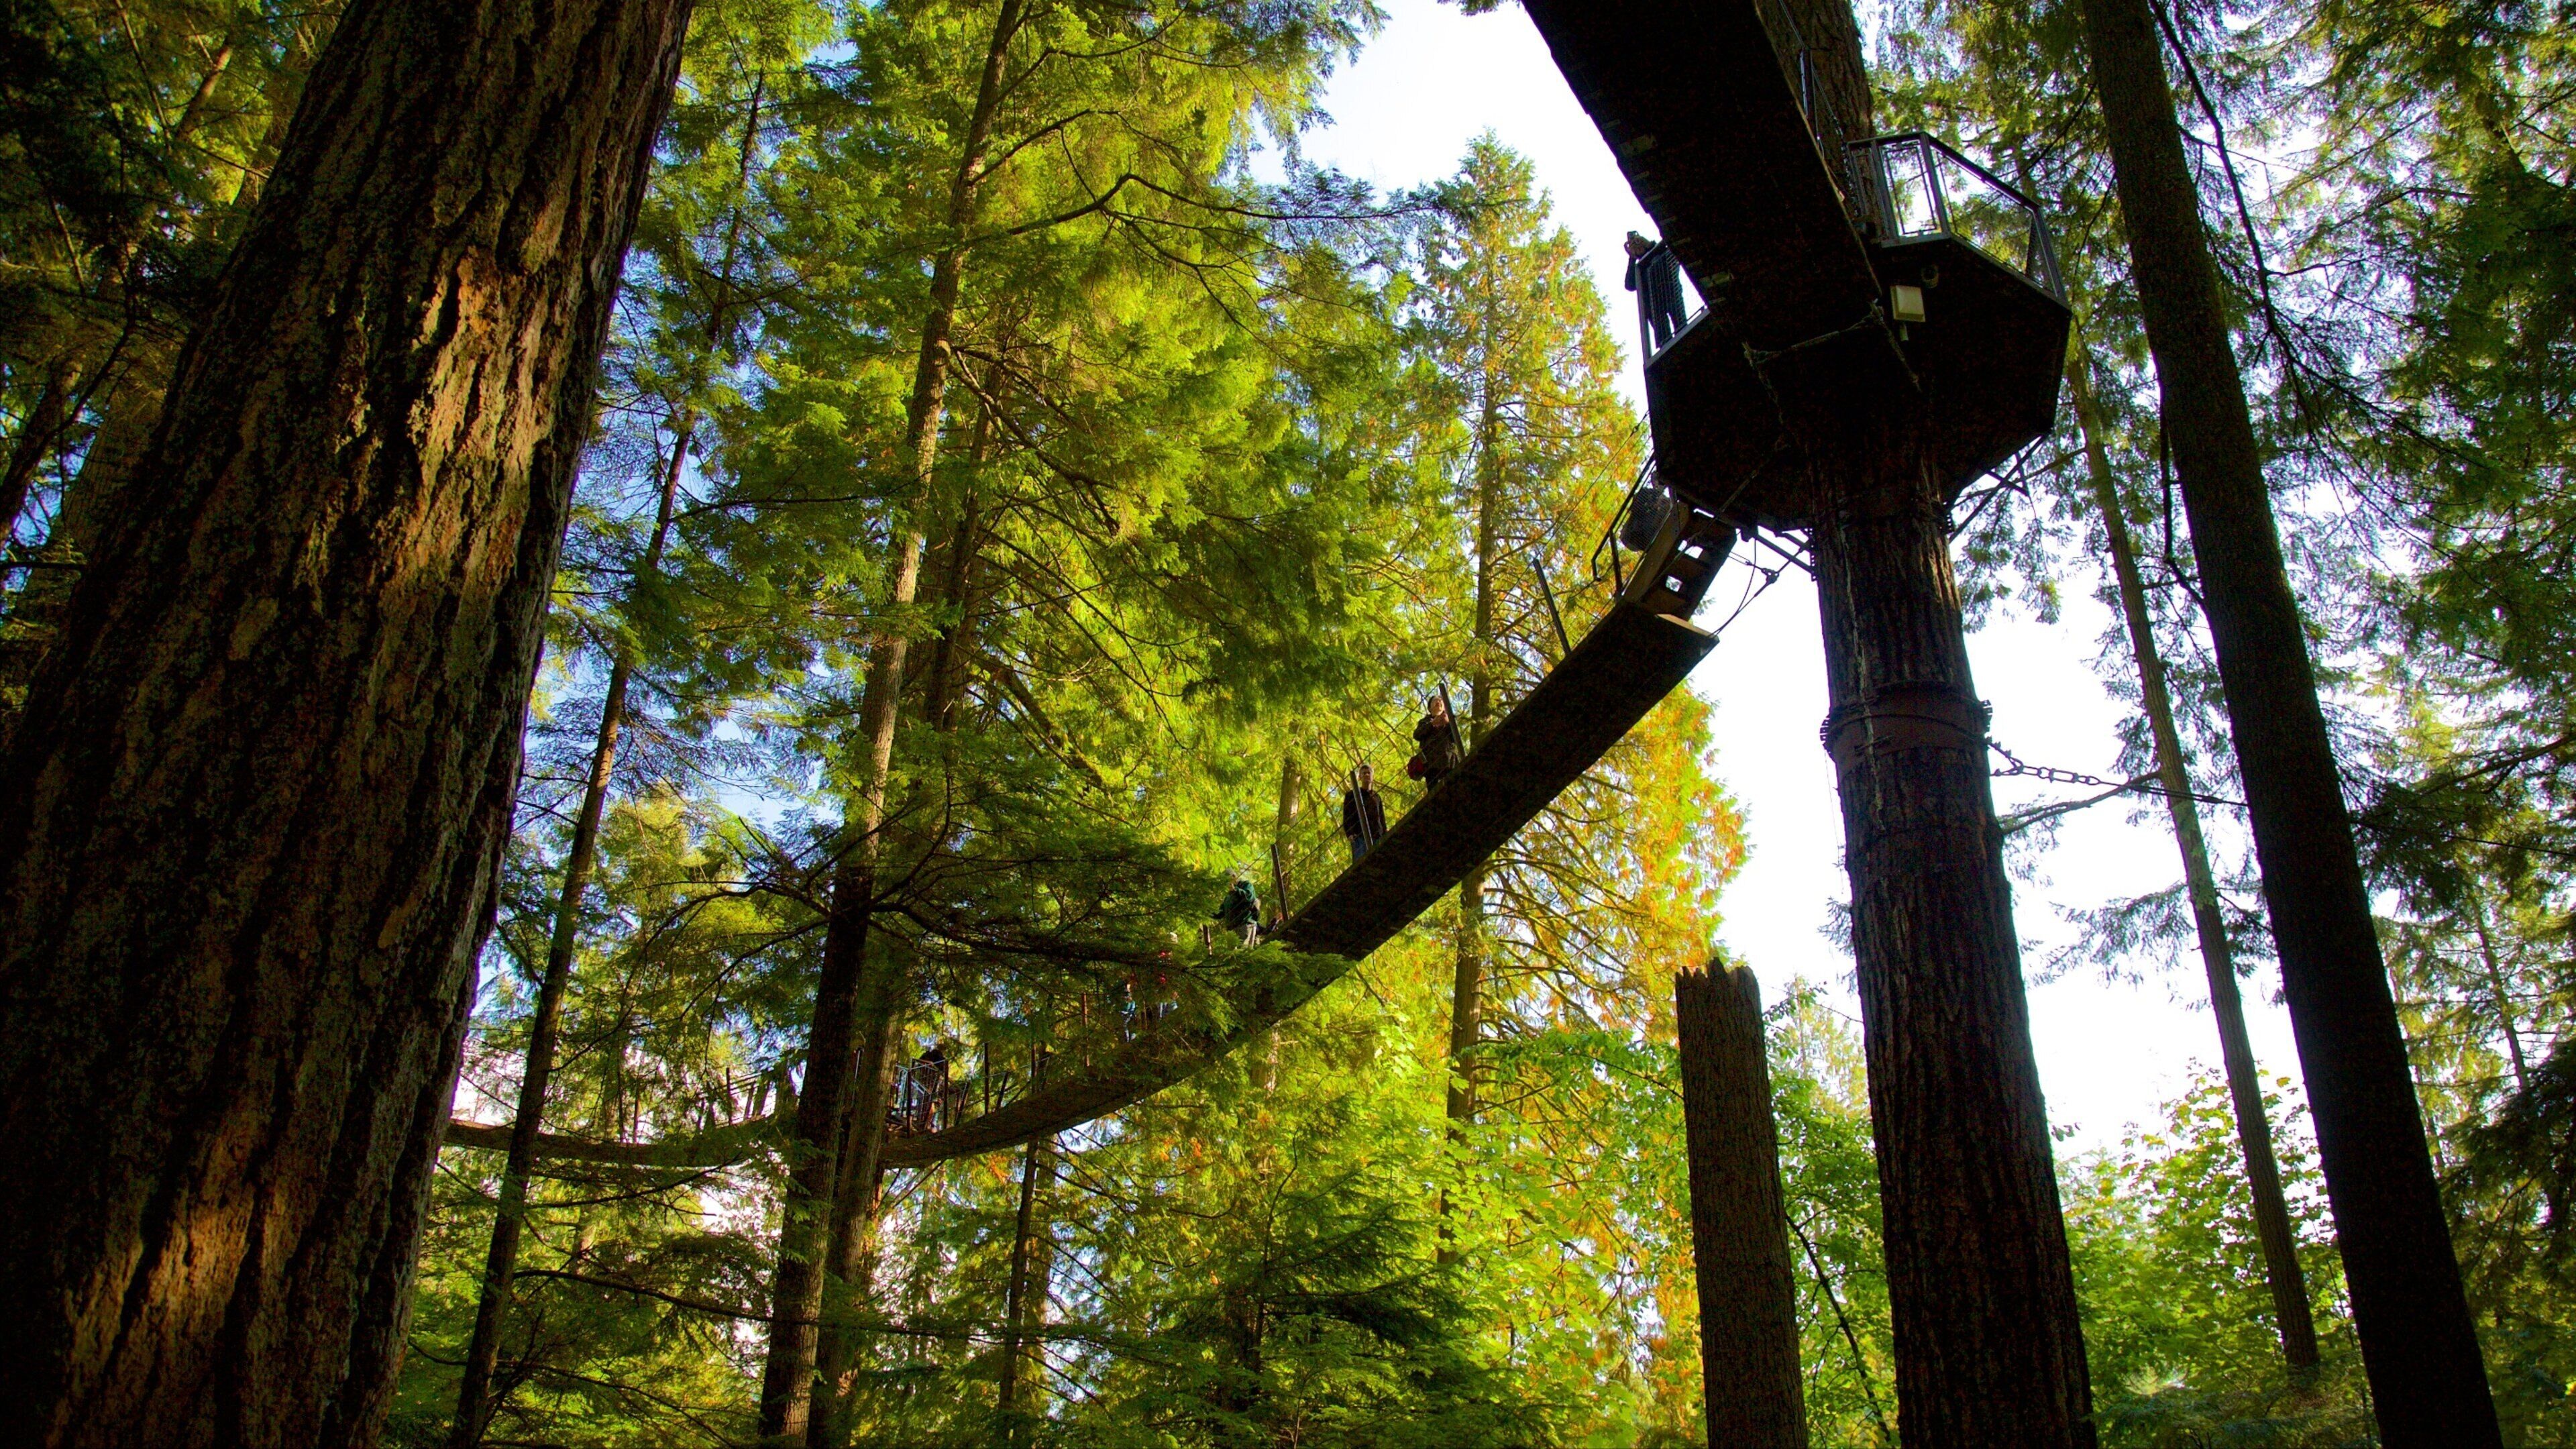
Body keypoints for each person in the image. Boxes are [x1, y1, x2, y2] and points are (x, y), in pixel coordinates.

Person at [1624, 230, 1688, 353]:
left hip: (1671, 294)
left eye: (1638, 241)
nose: (1638, 245)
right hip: (1654, 306)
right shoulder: (1639, 268)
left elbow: (1670, 252)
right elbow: (1630, 285)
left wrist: (1649, 245)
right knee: (1665, 339)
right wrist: (1632, 258)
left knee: (1682, 327)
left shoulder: (1658, 251)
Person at [1340, 764, 1387, 863]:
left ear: (1372, 777)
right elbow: (1347, 815)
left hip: (1377, 836)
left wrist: (1385, 835)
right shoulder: (1352, 795)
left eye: (1369, 773)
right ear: (1360, 777)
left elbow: (1382, 818)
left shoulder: (1377, 797)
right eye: (1364, 773)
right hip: (1359, 835)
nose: (1366, 775)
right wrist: (1349, 833)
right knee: (1362, 863)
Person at [1414, 694, 1463, 788]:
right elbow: (1417, 735)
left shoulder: (1450, 720)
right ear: (1429, 708)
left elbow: (1456, 739)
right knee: (1433, 792)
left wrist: (1449, 723)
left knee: (1454, 788)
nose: (1439, 702)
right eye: (1435, 700)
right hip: (1431, 763)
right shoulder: (1424, 722)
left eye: (1441, 700)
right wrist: (1432, 724)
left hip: (1449, 761)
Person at [1215, 873, 1261, 947]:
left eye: (1227, 880)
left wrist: (1235, 890)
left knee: (1243, 952)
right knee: (1232, 955)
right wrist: (1207, 912)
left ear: (1234, 876)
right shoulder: (1228, 896)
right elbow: (1221, 913)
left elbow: (1249, 897)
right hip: (1231, 928)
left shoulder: (1246, 885)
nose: (1227, 883)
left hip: (1244, 925)